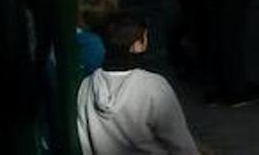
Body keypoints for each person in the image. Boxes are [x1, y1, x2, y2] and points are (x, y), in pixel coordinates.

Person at [75, 12, 198, 155]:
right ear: (137, 45)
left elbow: (85, 143)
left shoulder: (87, 85)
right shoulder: (154, 86)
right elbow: (181, 145)